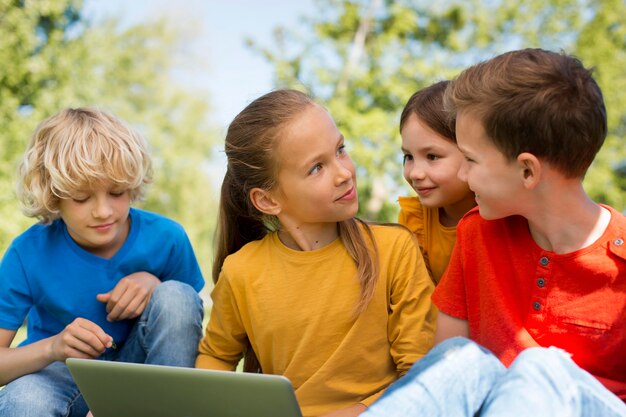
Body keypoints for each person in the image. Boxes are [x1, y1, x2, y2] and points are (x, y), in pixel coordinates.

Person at [362, 48, 626, 416]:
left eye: (470, 160)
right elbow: (445, 367)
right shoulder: (476, 232)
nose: (464, 176)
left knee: (540, 366)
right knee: (460, 361)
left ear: (527, 172)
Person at [195, 89, 437, 417]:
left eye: (340, 150)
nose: (344, 172)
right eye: (316, 168)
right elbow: (217, 357)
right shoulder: (241, 271)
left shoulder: (394, 249)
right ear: (267, 200)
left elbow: (420, 376)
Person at [0, 107, 205, 417]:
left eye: (117, 192)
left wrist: (155, 284)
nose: (104, 211)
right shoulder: (27, 252)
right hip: (59, 375)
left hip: (147, 378)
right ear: (53, 196)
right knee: (24, 402)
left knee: (176, 295)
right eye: (82, 198)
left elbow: (185, 329)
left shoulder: (167, 238)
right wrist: (53, 347)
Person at [398, 81, 476, 283]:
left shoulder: (504, 216)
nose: (415, 173)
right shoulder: (415, 221)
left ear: (472, 153)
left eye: (432, 157)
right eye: (408, 157)